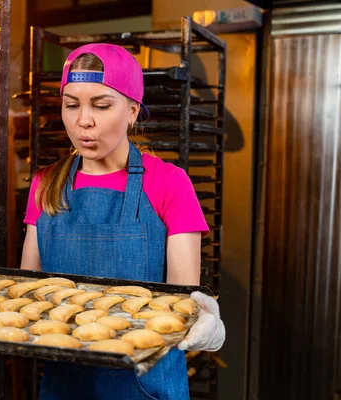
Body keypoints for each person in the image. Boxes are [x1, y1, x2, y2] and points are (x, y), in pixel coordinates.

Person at [20, 43, 225, 400]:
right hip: (65, 384)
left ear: (132, 111)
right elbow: (27, 294)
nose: (84, 120)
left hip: (145, 385)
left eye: (101, 105)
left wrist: (203, 320)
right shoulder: (45, 184)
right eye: (72, 105)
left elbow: (180, 300)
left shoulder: (169, 183)